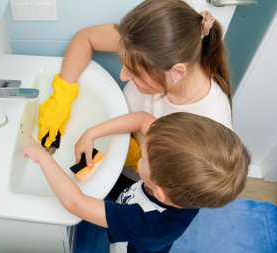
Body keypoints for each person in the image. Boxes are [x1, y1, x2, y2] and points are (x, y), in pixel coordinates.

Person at [37, 0, 233, 196]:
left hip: (141, 184)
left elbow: (181, 191)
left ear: (177, 72)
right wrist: (62, 95)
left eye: (134, 72)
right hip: (113, 151)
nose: (122, 77)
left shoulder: (210, 122)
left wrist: (137, 156)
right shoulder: (149, 47)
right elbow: (85, 38)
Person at [23, 112, 250, 253]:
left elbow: (75, 203)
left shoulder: (148, 221)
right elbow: (143, 119)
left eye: (143, 157)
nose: (141, 150)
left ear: (159, 192)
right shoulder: (185, 182)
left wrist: (42, 157)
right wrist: (91, 133)